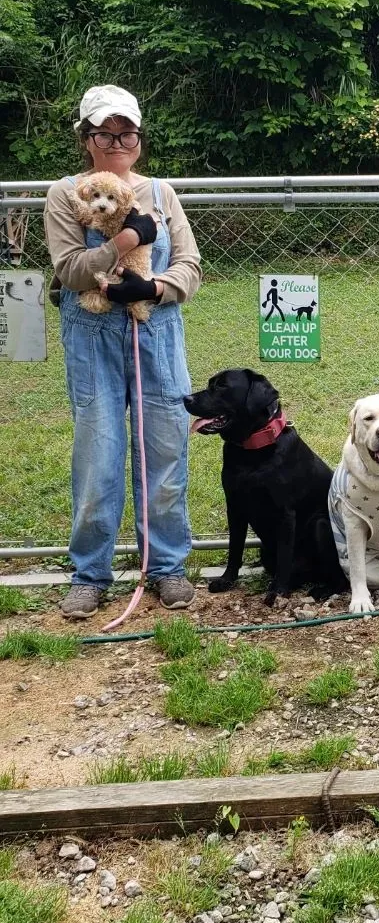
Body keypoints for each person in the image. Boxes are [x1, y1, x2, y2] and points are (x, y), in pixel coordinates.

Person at [43, 86, 203, 619]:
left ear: (138, 139)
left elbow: (190, 266)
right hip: (91, 335)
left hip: (155, 330)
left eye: (126, 132)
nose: (117, 141)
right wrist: (124, 244)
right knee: (99, 452)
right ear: (87, 139)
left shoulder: (162, 193)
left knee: (164, 449)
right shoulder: (66, 193)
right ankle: (90, 572)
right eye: (105, 133)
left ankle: (166, 566)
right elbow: (69, 269)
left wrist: (154, 288)